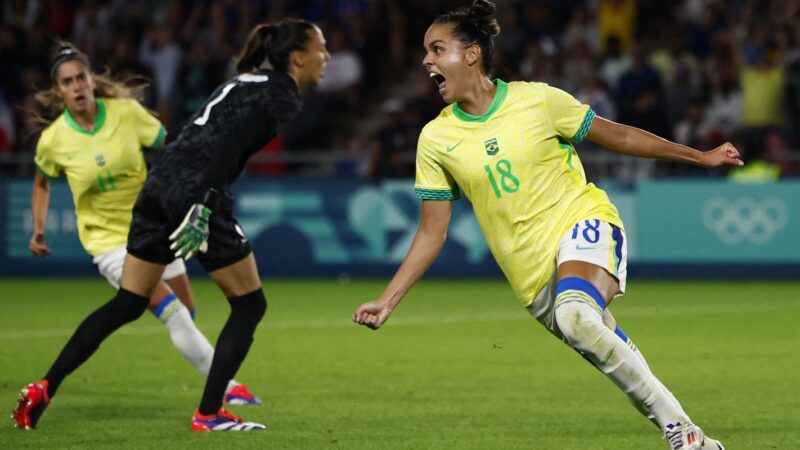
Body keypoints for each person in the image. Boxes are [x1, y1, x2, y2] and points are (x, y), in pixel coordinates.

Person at [352, 2, 738, 449]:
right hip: (532, 277)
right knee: (596, 335)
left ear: (472, 54)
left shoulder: (537, 100)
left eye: (437, 49)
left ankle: (682, 437)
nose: (427, 61)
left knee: (575, 315)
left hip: (583, 221)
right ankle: (694, 436)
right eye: (426, 52)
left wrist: (699, 156)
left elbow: (623, 137)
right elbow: (431, 232)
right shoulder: (436, 139)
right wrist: (388, 300)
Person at [13, 19, 329, 432]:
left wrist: (172, 186)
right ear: (299, 58)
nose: (328, 57)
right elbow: (230, 143)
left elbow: (185, 132)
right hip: (195, 190)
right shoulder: (280, 96)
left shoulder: (248, 79)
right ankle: (210, 412)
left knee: (128, 303)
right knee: (250, 305)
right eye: (322, 48)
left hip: (158, 186)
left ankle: (43, 387)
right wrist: (203, 204)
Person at [25, 42, 261, 408]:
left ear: (91, 79)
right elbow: (41, 181)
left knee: (186, 307)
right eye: (67, 81)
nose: (76, 86)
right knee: (175, 314)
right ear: (58, 91)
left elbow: (171, 147)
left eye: (80, 77)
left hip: (154, 225)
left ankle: (202, 362)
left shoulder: (126, 114)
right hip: (110, 244)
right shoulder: (54, 141)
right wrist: (38, 229)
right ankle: (228, 388)